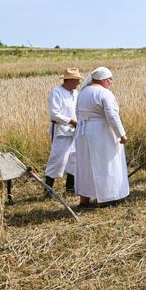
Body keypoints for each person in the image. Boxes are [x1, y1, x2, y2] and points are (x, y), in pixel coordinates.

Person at [75, 67, 129, 208]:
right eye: (110, 79)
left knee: (85, 166)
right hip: (101, 132)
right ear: (103, 79)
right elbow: (112, 116)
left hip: (83, 133)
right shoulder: (104, 93)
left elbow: (78, 113)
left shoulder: (82, 92)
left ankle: (84, 199)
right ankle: (107, 198)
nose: (111, 82)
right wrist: (121, 134)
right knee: (106, 164)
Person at [44, 68, 83, 197]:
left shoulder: (76, 93)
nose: (78, 82)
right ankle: (48, 190)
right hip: (61, 131)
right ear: (70, 80)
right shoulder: (56, 92)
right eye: (76, 80)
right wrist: (71, 121)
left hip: (74, 131)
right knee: (57, 160)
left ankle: (70, 188)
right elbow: (55, 114)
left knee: (74, 158)